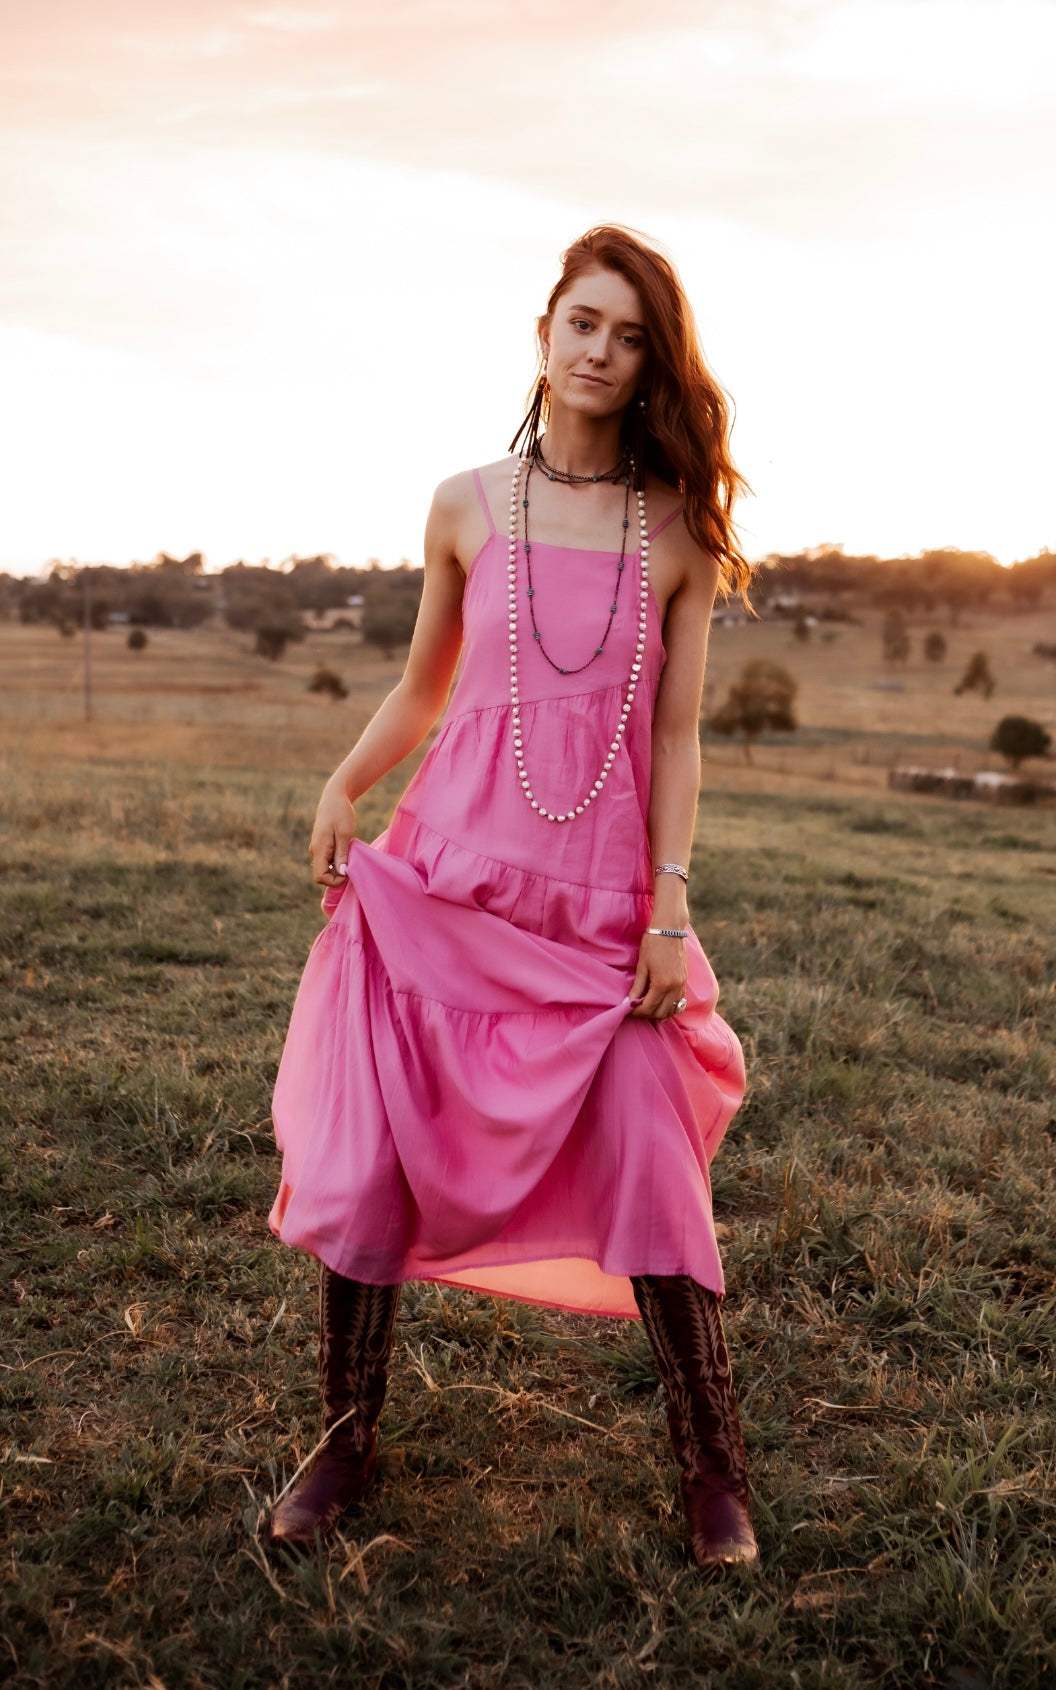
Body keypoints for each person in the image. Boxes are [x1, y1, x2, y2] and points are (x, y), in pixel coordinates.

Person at [265, 225, 758, 1567]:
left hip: (600, 902)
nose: (602, 350)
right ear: (543, 332)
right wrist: (343, 783)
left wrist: (668, 903)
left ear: (652, 360)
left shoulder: (677, 533)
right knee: (372, 1155)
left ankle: (711, 1465)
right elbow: (424, 687)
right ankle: (344, 1436)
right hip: (445, 879)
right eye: (583, 322)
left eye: (630, 333)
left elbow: (674, 734)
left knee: (654, 1153)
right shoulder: (465, 503)